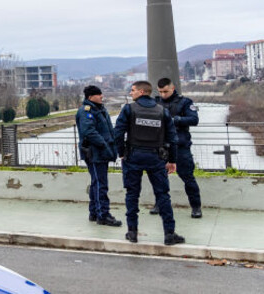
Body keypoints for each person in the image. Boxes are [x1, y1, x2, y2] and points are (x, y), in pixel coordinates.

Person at [113, 80, 184, 245]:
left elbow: (118, 133)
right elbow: (173, 138)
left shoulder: (129, 110)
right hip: (156, 158)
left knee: (132, 194)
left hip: (133, 157)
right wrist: (172, 160)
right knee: (162, 195)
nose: (131, 93)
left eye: (133, 90)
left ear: (142, 92)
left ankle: (132, 232)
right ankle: (169, 234)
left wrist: (122, 153)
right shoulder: (162, 111)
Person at [150, 77, 202, 218]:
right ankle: (159, 204)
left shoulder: (185, 102)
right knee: (159, 178)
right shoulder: (156, 102)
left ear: (172, 88)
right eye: (160, 92)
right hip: (161, 147)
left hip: (180, 146)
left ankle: (196, 207)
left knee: (188, 178)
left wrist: (175, 120)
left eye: (165, 91)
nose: (163, 94)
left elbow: (194, 119)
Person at [76, 85, 120, 226]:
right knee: (101, 184)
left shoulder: (99, 110)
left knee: (97, 183)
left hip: (102, 152)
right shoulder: (86, 111)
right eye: (99, 94)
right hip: (95, 153)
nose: (102, 96)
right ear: (90, 97)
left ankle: (94, 212)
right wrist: (104, 145)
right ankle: (103, 215)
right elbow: (89, 131)